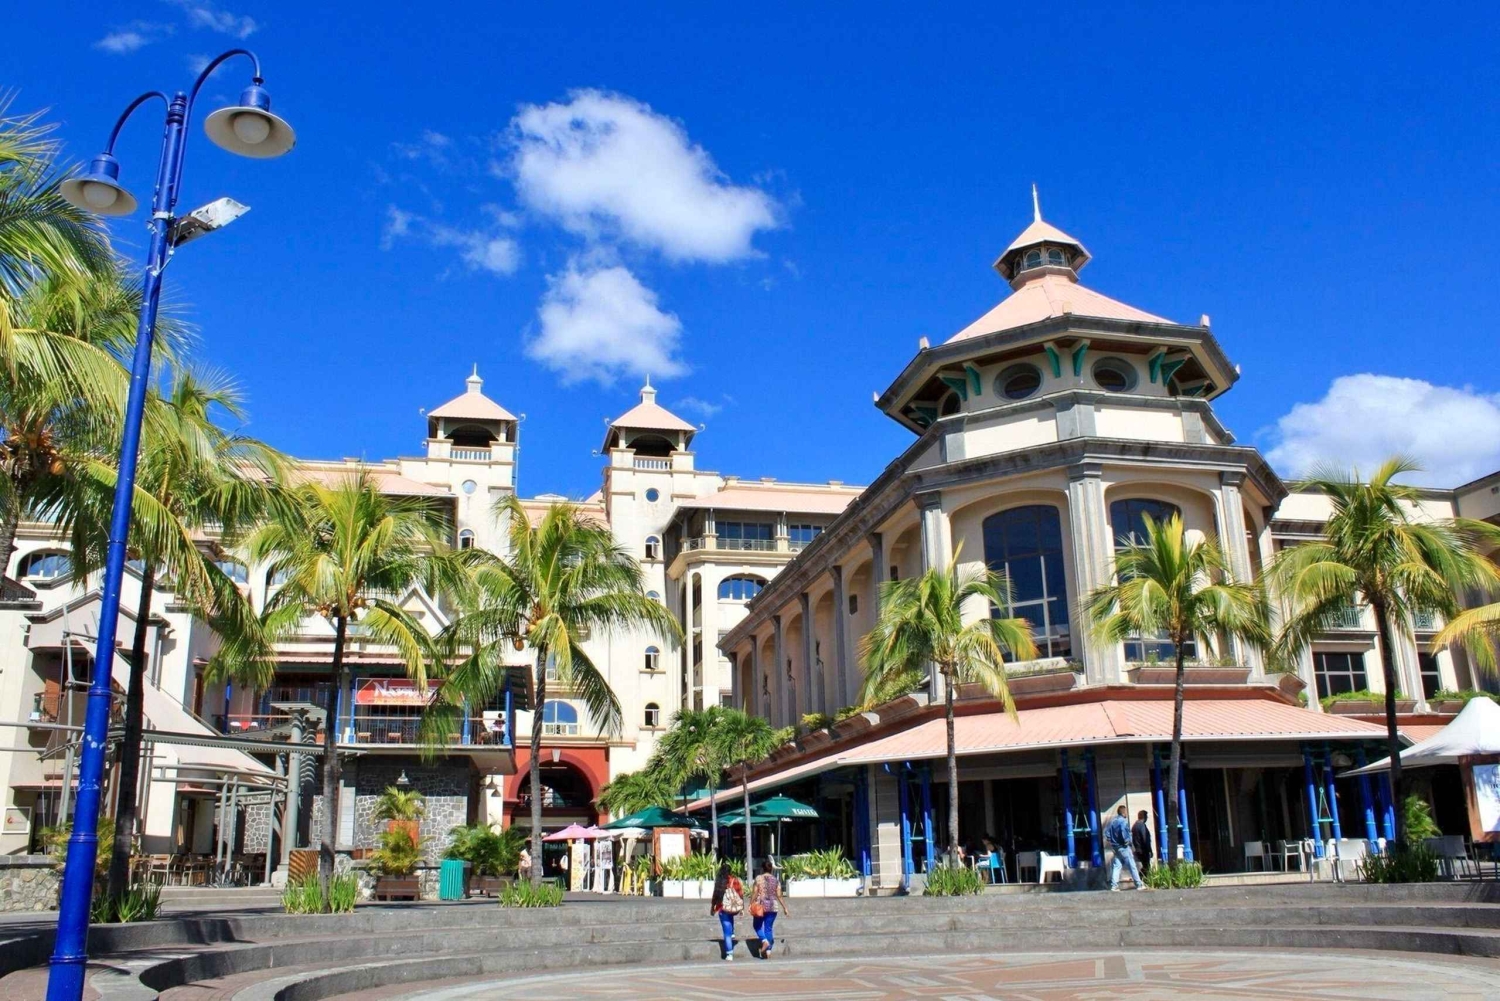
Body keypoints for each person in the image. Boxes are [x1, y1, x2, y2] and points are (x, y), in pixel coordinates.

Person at [750, 859, 789, 958]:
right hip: (773, 906)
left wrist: (750, 903)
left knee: (757, 925)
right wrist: (785, 907)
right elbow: (779, 895)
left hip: (761, 905)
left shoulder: (758, 878)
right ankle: (768, 952)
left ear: (763, 869)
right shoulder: (776, 880)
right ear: (771, 869)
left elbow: (755, 892)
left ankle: (764, 941)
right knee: (768, 928)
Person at [1104, 805, 1146, 891]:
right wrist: (1127, 841)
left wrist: (1112, 841)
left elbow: (1106, 833)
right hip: (1123, 847)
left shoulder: (1113, 821)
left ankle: (1114, 886)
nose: (1126, 813)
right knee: (1132, 865)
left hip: (1116, 847)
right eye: (1126, 811)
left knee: (1117, 866)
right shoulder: (1123, 821)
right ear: (1123, 812)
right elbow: (1124, 831)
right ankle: (1138, 884)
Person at [709, 861, 745, 961]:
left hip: (722, 908)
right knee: (730, 917)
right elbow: (740, 894)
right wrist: (742, 908)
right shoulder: (735, 880)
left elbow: (715, 895)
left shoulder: (720, 881)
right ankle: (732, 931)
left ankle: (729, 954)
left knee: (726, 933)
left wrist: (712, 907)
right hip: (733, 908)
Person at [1132, 810, 1154, 875]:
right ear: (1144, 817)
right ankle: (1142, 879)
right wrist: (1149, 850)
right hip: (1143, 849)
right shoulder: (1141, 825)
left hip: (1138, 849)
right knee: (1146, 866)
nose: (1147, 818)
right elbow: (1145, 838)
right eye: (1146, 816)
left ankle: (1141, 878)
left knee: (1145, 866)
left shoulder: (1135, 825)